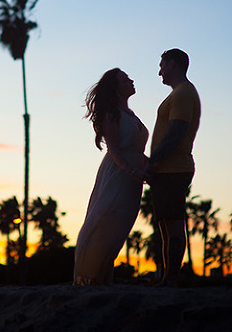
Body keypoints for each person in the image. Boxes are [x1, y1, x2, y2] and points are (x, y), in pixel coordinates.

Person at [73, 68, 150, 285]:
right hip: (117, 174)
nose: (132, 80)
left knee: (120, 227)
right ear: (116, 88)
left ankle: (104, 277)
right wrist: (131, 170)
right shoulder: (111, 113)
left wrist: (148, 165)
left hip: (133, 179)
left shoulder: (131, 115)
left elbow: (135, 149)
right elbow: (115, 149)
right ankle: (90, 276)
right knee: (106, 219)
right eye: (126, 79)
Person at [144, 48, 201, 287]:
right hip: (166, 170)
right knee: (166, 225)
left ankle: (172, 278)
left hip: (173, 169)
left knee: (173, 224)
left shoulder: (183, 94)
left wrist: (153, 161)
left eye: (162, 65)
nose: (159, 72)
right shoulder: (178, 94)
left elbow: (176, 132)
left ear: (174, 64)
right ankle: (169, 277)